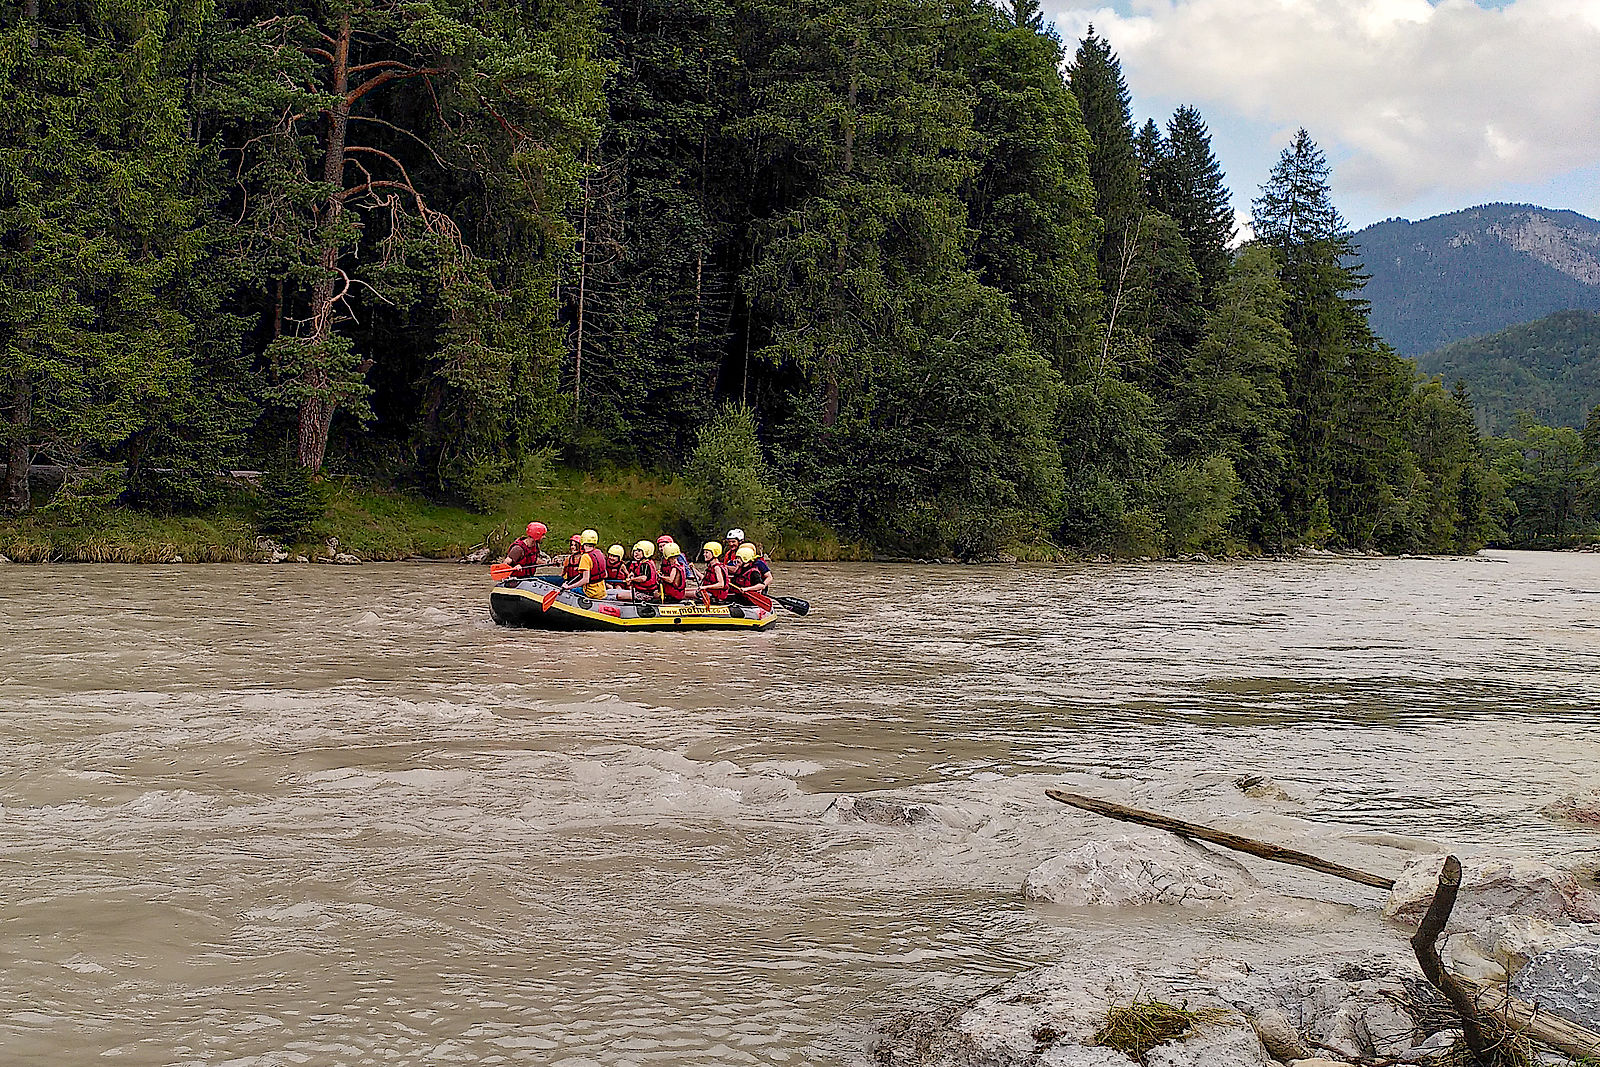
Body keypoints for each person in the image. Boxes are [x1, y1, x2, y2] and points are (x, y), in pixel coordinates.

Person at [559, 532, 608, 600]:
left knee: (569, 592)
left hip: (590, 593)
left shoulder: (585, 557)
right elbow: (605, 575)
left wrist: (568, 587)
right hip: (602, 592)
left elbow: (585, 580)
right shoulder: (599, 552)